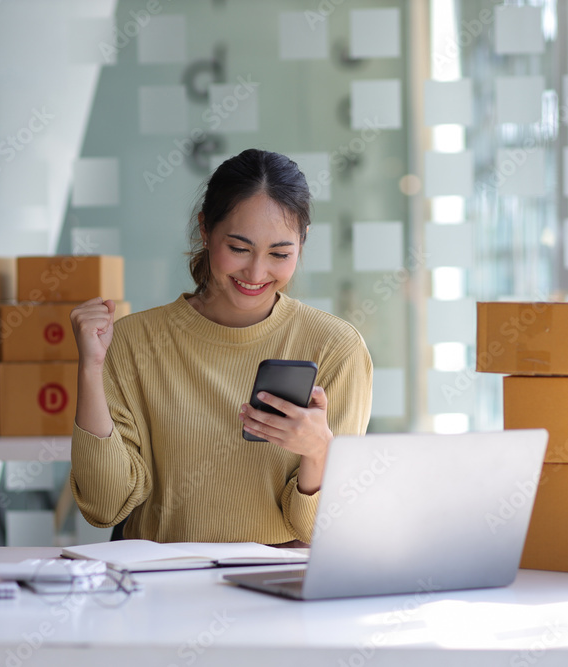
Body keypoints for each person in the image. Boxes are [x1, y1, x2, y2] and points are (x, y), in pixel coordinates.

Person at [69, 148, 373, 545]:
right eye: (239, 249)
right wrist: (90, 369)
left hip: (274, 593)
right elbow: (103, 507)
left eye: (280, 254)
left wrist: (318, 453)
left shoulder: (336, 349)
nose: (256, 272)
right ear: (205, 231)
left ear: (302, 243)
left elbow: (324, 533)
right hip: (161, 589)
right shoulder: (133, 342)